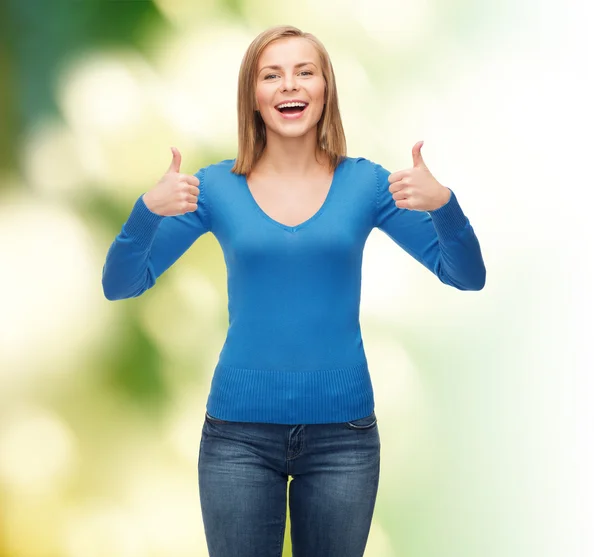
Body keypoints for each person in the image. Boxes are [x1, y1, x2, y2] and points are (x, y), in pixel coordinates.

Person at [102, 24, 486, 557]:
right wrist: (147, 212)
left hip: (343, 440)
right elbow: (121, 283)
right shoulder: (215, 188)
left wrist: (444, 204)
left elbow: (465, 274)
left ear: (326, 89)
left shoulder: (368, 184)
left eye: (305, 72)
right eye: (272, 75)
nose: (290, 85)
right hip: (237, 437)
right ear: (253, 98)